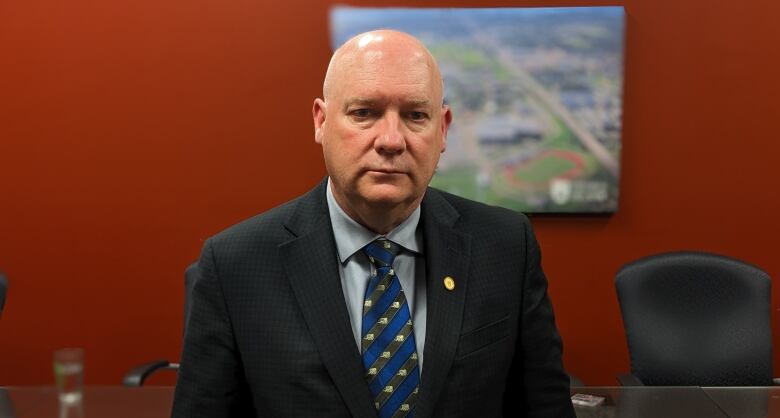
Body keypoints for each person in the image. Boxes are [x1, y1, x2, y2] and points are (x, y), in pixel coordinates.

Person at [172, 29, 574, 418]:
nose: (391, 140)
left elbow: (544, 407)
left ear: (443, 128)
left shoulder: (505, 246)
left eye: (416, 115)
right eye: (365, 113)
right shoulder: (235, 265)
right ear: (321, 121)